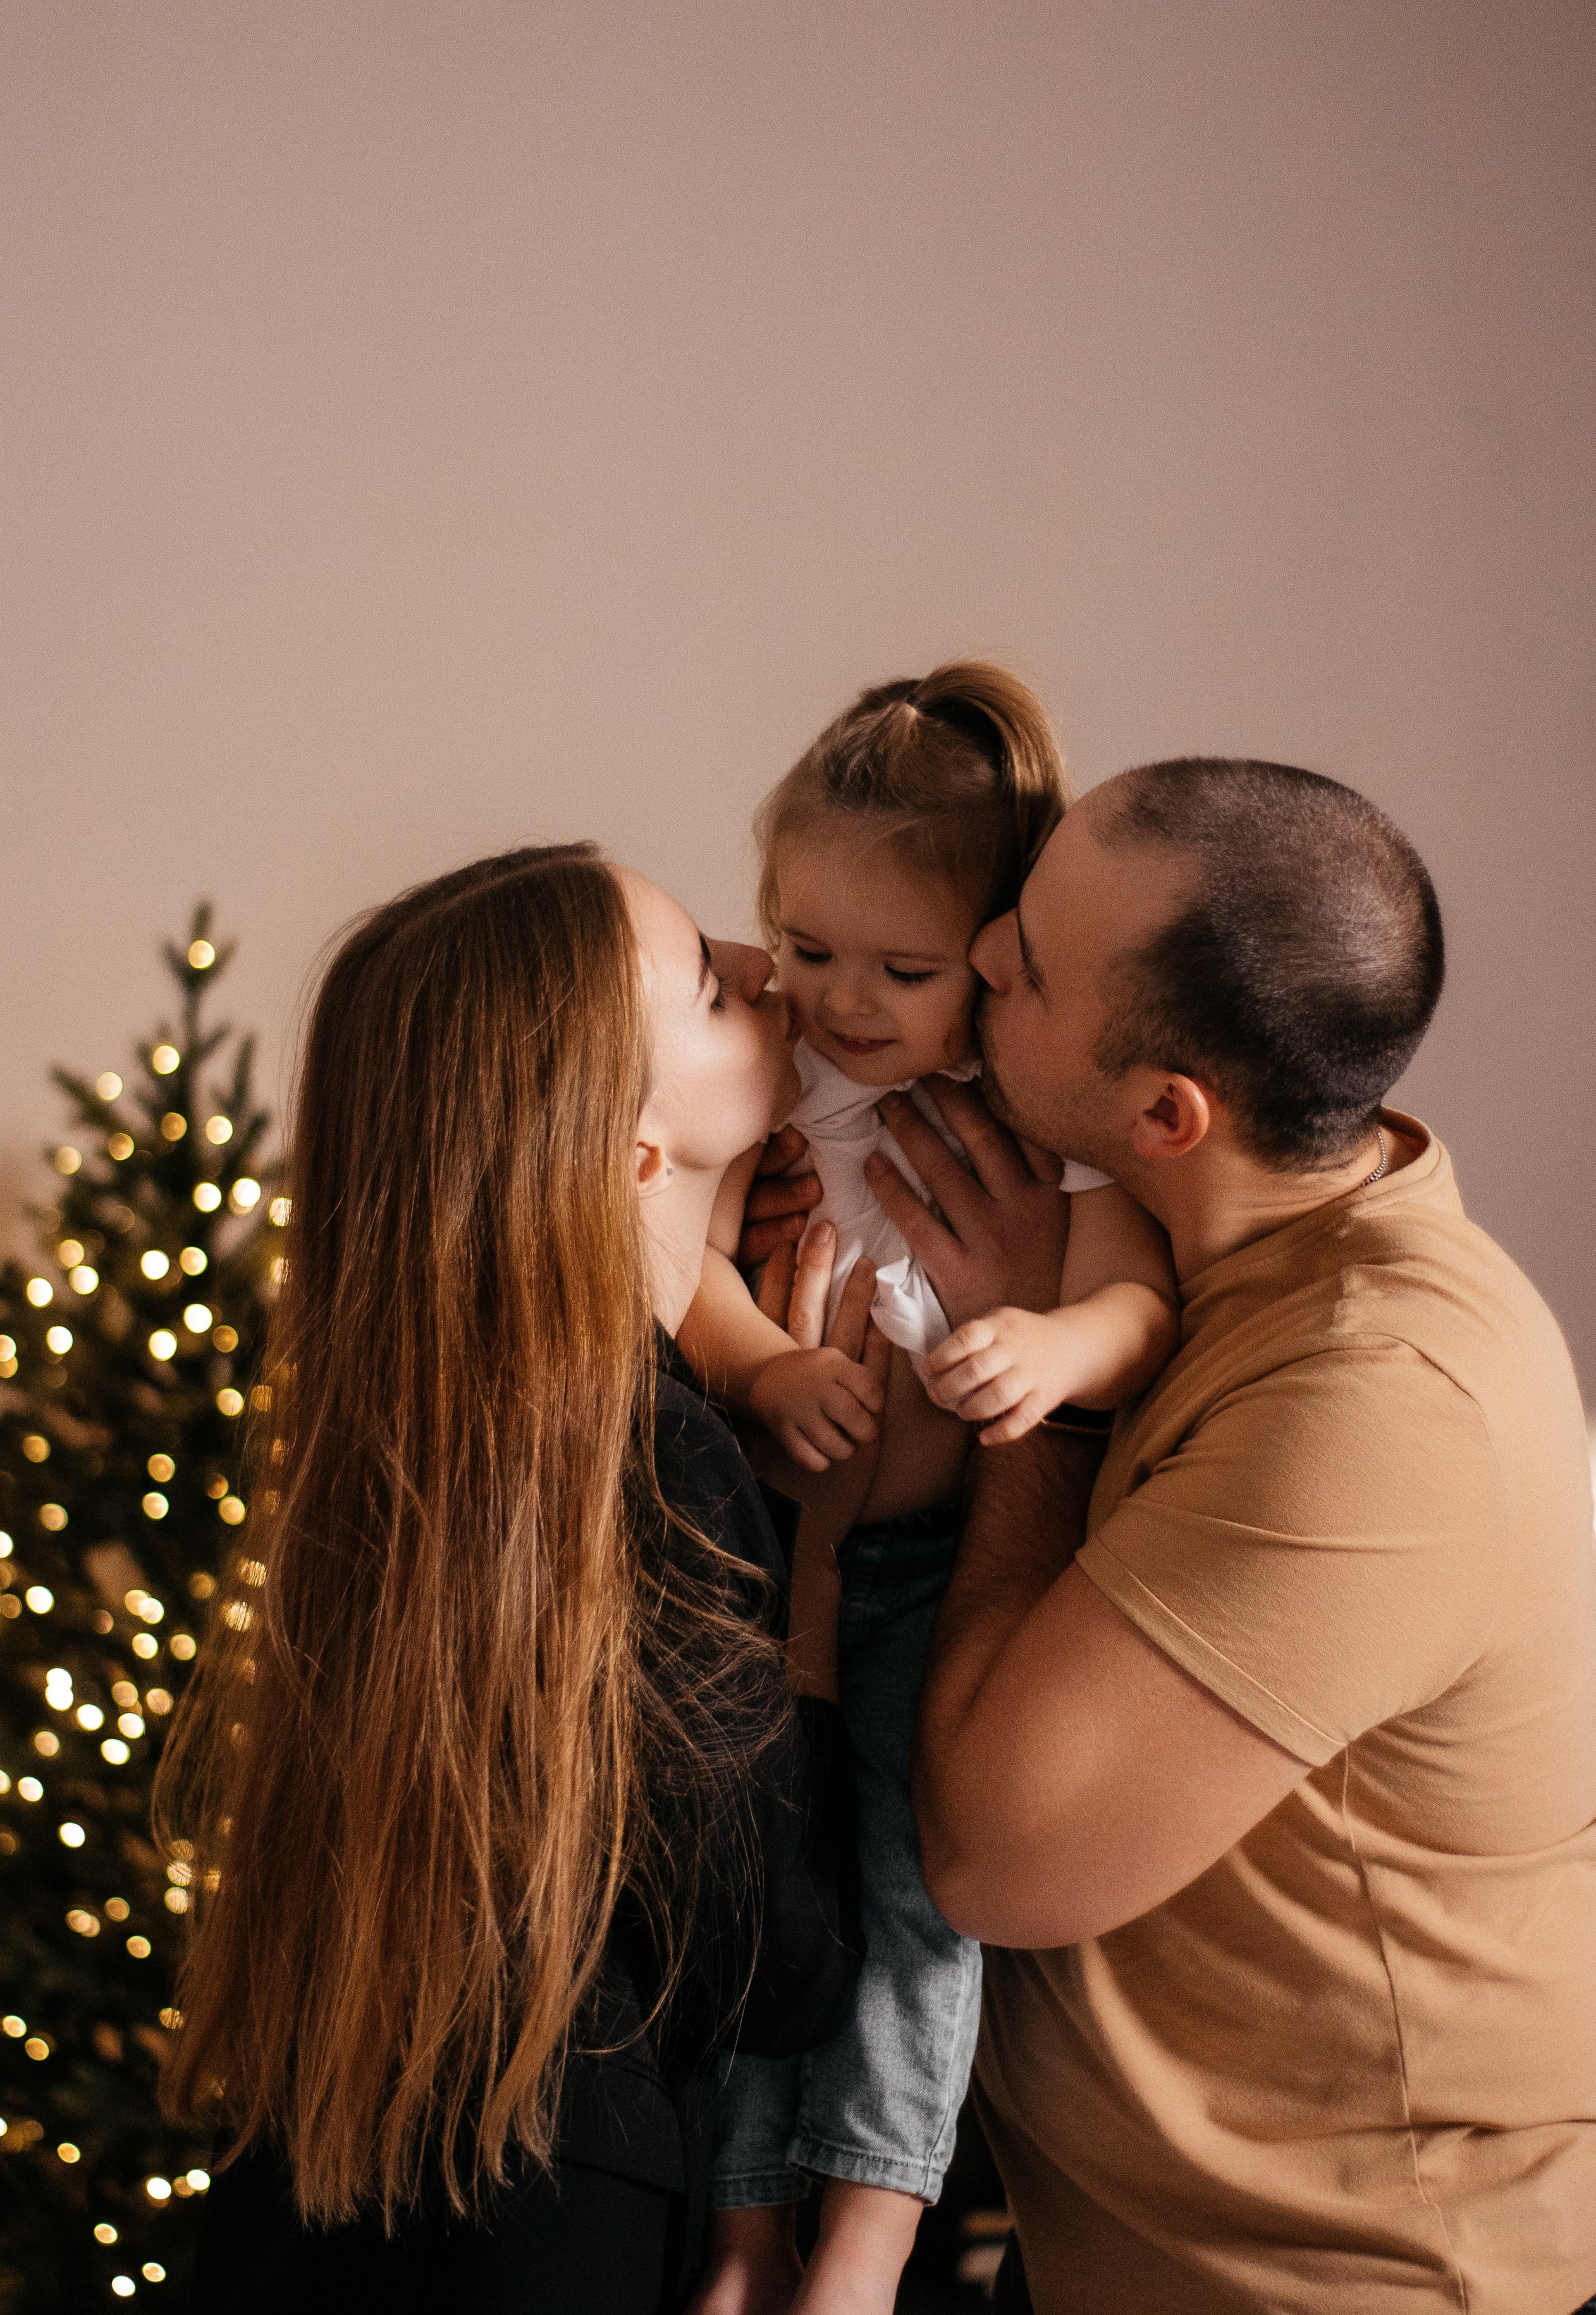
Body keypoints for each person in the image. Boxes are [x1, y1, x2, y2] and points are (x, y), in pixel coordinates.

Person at [777, 757, 1596, 2315]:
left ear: (1164, 1113)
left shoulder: (1376, 1393)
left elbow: (995, 1861)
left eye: (1014, 967)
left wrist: (1039, 1396)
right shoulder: (1198, 1238)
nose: (974, 965)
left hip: (1368, 2283)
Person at [154, 844, 873, 2314]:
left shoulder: (441, 1457)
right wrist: (830, 1564)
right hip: (548, 2227)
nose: (765, 971)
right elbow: (769, 1963)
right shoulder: (658, 1462)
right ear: (623, 1150)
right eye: (701, 982)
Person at [680, 668, 1177, 2315]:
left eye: (901, 968)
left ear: (997, 959)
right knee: (766, 1880)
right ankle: (746, 2214)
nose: (841, 997)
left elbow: (1134, 1304)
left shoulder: (1040, 1125)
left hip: (934, 1570)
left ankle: (875, 2223)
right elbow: (680, 1274)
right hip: (758, 1552)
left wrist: (1052, 1346)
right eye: (802, 946)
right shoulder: (778, 1079)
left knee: (914, 1890)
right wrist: (762, 1365)